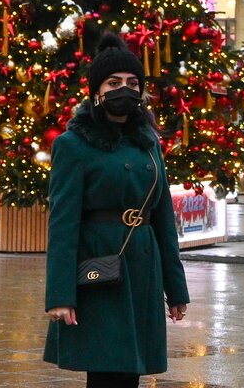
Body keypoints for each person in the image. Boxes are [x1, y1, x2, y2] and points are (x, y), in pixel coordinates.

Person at [44, 33, 190, 388]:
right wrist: (61, 294)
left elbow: (163, 217)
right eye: (113, 83)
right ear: (96, 91)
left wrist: (176, 287)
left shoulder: (148, 141)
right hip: (101, 264)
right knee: (107, 367)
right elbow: (62, 224)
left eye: (132, 83)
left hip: (143, 263)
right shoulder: (73, 144)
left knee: (131, 370)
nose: (124, 90)